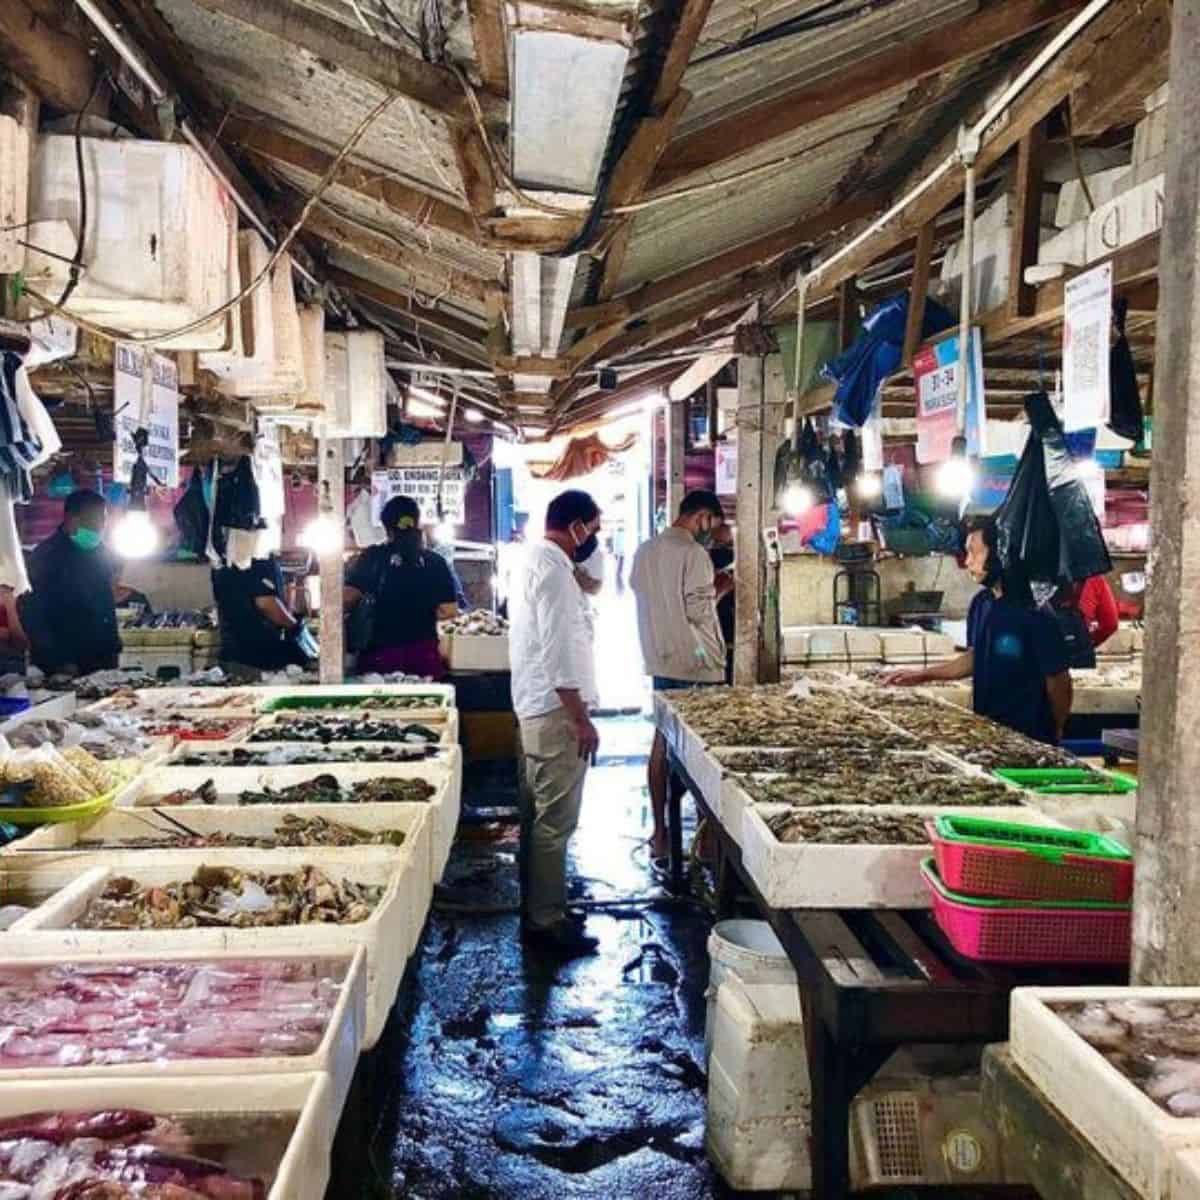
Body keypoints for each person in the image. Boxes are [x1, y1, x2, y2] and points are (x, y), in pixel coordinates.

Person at [509, 488, 602, 956]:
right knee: (553, 824)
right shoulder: (555, 576)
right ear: (577, 526)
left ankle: (543, 907)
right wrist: (581, 719)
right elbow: (560, 652)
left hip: (536, 707)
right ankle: (546, 923)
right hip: (555, 712)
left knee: (538, 819)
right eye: (594, 529)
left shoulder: (541, 563)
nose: (594, 539)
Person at [885, 517, 1073, 744]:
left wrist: (1056, 729)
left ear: (999, 554)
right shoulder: (981, 603)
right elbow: (976, 657)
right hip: (989, 731)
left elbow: (1059, 681)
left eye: (975, 553)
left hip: (1029, 735)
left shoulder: (1035, 611)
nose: (968, 563)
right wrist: (922, 675)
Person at [631, 489, 731, 863]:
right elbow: (699, 612)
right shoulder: (694, 554)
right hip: (698, 665)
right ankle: (706, 841)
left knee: (661, 742)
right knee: (704, 754)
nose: (712, 534)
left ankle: (660, 831)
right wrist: (722, 589)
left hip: (659, 660)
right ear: (702, 516)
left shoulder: (644, 551)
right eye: (713, 525)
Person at [344, 495, 459, 679]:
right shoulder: (435, 562)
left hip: (380, 657)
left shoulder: (372, 557)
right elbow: (449, 610)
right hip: (423, 656)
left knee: (382, 705)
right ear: (417, 522)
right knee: (426, 705)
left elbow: (348, 598)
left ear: (385, 526)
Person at [24, 490, 125, 676]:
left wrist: (113, 648)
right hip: (65, 664)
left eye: (103, 521)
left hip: (103, 657)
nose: (101, 528)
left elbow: (104, 600)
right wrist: (59, 661)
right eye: (96, 522)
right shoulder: (46, 557)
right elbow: (34, 616)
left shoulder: (101, 552)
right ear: (73, 520)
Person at [211, 552, 312, 672]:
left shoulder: (221, 561)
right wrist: (295, 626)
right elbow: (266, 604)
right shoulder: (260, 559)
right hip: (259, 657)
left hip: (232, 653)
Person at [708, 521, 736, 685]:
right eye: (718, 544)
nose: (724, 550)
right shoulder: (698, 577)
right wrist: (721, 590)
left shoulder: (737, 576)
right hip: (706, 650)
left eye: (730, 545)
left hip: (732, 646)